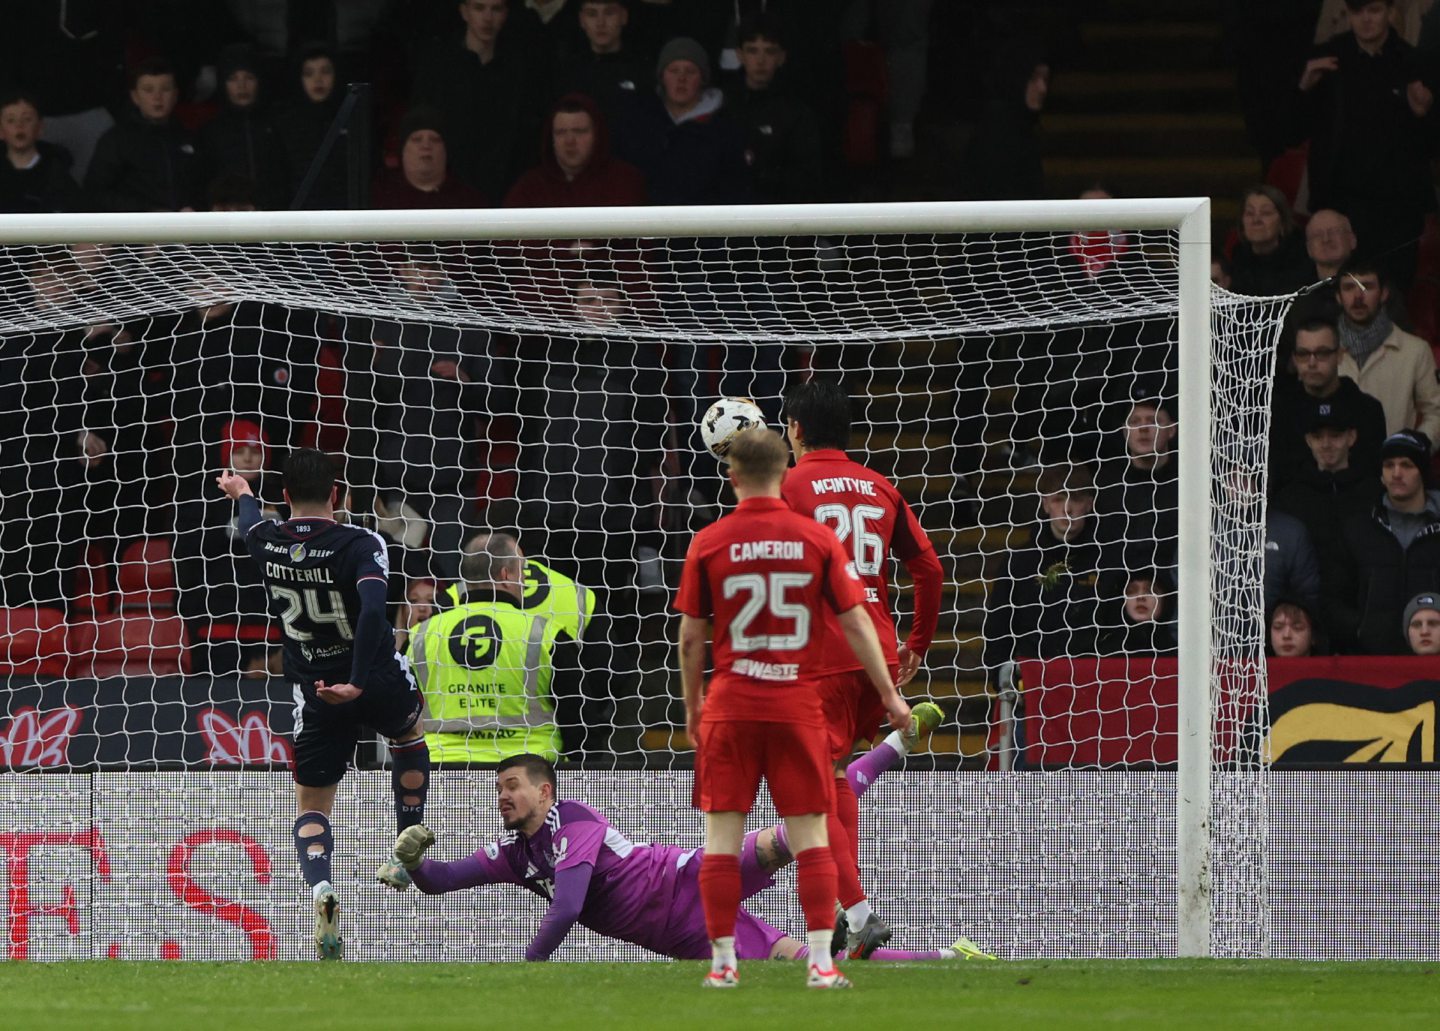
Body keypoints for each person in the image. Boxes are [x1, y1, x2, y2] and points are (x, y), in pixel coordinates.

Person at [674, 427, 911, 989]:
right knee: (811, 835)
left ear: (731, 476)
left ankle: (723, 965)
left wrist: (693, 707)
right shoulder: (816, 538)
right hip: (795, 704)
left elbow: (690, 637)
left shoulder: (708, 541)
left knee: (721, 841)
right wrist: (889, 694)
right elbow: (856, 622)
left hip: (732, 704)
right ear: (785, 473)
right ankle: (822, 964)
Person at [389, 750, 990, 963]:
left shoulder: (572, 819)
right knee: (803, 960)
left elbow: (568, 906)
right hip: (683, 933)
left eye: (512, 786)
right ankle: (948, 957)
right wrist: (414, 861)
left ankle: (889, 747)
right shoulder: (514, 852)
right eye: (498, 789)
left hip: (688, 877)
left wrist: (528, 969)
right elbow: (442, 879)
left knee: (790, 833)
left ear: (545, 791)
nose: (502, 797)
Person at [215, 448, 431, 959]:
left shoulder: (266, 540)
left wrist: (242, 493)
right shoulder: (361, 542)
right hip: (373, 677)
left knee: (312, 804)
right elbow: (374, 612)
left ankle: (321, 887)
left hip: (314, 687)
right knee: (408, 734)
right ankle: (405, 843)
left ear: (285, 496)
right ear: (338, 494)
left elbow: (249, 523)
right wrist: (356, 681)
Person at [778, 379, 944, 959]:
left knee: (807, 792)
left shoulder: (790, 485)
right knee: (835, 777)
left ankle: (858, 912)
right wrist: (917, 643)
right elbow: (930, 569)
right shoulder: (880, 486)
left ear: (796, 429)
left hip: (821, 654)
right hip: (878, 653)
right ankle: (839, 915)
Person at [409, 531, 612, 760]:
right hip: (530, 771)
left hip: (441, 768)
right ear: (506, 575)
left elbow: (398, 712)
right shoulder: (546, 636)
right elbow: (581, 728)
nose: (524, 581)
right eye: (522, 572)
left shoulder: (421, 636)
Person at [1294, 0, 1436, 288]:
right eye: (1358, 12)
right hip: (1341, 199)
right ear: (1348, 14)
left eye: (1374, 10)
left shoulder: (1413, 62)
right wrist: (1304, 89)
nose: (1366, 19)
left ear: (1390, 13)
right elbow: (1295, 131)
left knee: (1394, 290)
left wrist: (1423, 114)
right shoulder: (1328, 58)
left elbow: (1430, 144)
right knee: (1338, 290)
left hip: (1397, 205)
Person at [412, 0, 546, 202]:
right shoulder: (438, 69)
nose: (487, 18)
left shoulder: (519, 72)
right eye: (479, 8)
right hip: (448, 188)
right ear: (464, 11)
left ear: (506, 14)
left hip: (504, 188)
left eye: (496, 9)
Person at [984, 461, 1110, 668]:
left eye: (1076, 499)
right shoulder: (1019, 562)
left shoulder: (1108, 560)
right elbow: (998, 629)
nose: (1067, 509)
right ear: (1045, 504)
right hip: (1033, 675)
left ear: (1089, 504)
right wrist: (1001, 677)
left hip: (1092, 675)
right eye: (1059, 499)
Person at [1324, 429, 1440, 653]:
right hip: (1371, 659)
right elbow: (1333, 597)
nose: (1396, 473)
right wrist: (1360, 629)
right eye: (1389, 465)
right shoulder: (1357, 529)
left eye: (1407, 465)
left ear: (1422, 472)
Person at [614, 36, 750, 204]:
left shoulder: (724, 129)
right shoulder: (640, 122)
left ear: (703, 78)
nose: (681, 78)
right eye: (674, 70)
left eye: (690, 71)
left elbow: (734, 189)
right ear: (662, 77)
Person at [1269, 318, 1388, 488]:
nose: (1311, 363)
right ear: (1294, 359)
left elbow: (1373, 476)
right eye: (1303, 354)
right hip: (1294, 502)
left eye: (1322, 353)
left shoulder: (1367, 410)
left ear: (1339, 355)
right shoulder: (1278, 411)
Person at [1333, 258, 1440, 442]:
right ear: (1338, 296)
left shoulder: (1415, 350)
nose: (1358, 296)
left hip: (1393, 459)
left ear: (1384, 294)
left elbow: (1436, 412)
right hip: (1333, 459)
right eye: (1349, 287)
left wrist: (1411, 449)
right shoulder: (1320, 351)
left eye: (1367, 287)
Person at [722, 15, 822, 205]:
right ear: (739, 55)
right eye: (752, 50)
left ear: (781, 57)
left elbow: (806, 177)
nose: (760, 60)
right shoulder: (723, 106)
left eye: (769, 51)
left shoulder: (797, 113)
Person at [1272, 392, 1384, 557]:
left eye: (1335, 436)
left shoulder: (1375, 493)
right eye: (1318, 437)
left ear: (1351, 437)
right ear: (1308, 441)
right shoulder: (1290, 498)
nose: (1326, 444)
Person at [84, 61, 201, 212]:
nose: (157, 97)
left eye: (165, 89)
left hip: (186, 224)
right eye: (148, 90)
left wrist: (194, 207)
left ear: (175, 95)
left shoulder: (189, 137)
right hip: (136, 225)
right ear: (135, 96)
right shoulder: (116, 141)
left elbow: (205, 184)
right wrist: (148, 212)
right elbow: (95, 193)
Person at [503, 93, 646, 207]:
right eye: (560, 132)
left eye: (579, 131)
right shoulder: (529, 189)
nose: (569, 141)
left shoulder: (624, 183)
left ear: (597, 135)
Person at [197, 44, 289, 210]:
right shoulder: (211, 133)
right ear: (223, 84)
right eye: (233, 79)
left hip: (275, 217)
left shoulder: (278, 126)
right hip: (227, 220)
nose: (242, 86)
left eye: (249, 77)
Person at [275, 44, 351, 210]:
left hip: (347, 216)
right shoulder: (285, 125)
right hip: (298, 217)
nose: (318, 80)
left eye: (325, 71)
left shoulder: (352, 118)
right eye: (309, 73)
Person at [552, 0, 651, 125]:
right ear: (582, 20)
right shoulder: (569, 73)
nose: (600, 23)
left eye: (609, 13)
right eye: (592, 14)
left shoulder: (642, 70)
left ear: (623, 17)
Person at [372, 106, 490, 209]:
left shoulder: (470, 201)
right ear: (403, 150)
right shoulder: (379, 198)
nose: (426, 145)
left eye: (435, 139)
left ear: (445, 150)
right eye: (417, 139)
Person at [0, 93, 83, 213]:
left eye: (27, 119)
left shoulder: (56, 173)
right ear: (1, 130)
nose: (19, 126)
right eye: (11, 120)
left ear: (40, 127)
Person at [1227, 185, 1313, 297]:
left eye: (1266, 213)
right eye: (1250, 213)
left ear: (1282, 222)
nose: (1256, 220)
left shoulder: (1302, 258)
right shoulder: (1238, 258)